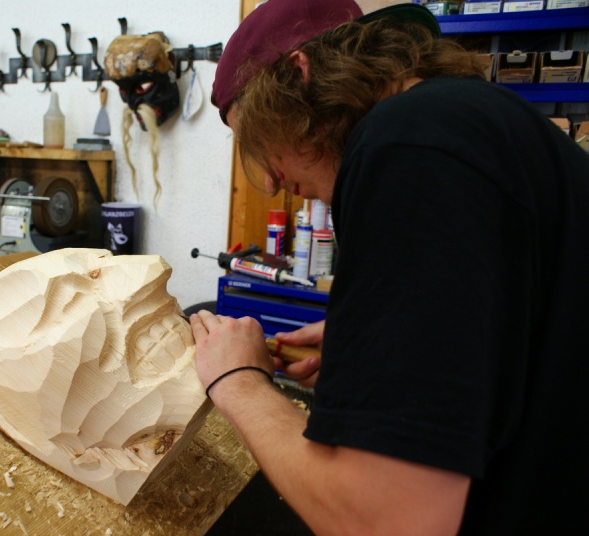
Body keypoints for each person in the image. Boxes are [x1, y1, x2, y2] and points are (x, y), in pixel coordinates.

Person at [189, 1, 589, 534]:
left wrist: (238, 382)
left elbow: (384, 520)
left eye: (257, 142)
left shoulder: (409, 143)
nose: (267, 181)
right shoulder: (466, 123)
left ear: (299, 76)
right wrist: (380, 349)